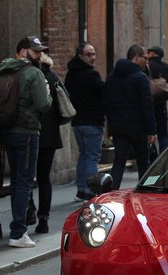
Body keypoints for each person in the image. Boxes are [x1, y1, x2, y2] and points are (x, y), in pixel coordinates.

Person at [0, 36, 52, 248]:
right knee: (24, 181)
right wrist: (47, 94)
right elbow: (43, 105)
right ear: (22, 51)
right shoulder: (34, 73)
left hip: (7, 130)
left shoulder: (3, 70)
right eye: (35, 51)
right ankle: (18, 232)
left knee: (16, 182)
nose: (39, 55)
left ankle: (16, 229)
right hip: (27, 131)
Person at [105, 44, 157, 189]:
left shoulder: (112, 76)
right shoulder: (141, 78)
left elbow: (107, 102)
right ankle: (144, 192)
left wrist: (111, 126)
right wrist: (151, 130)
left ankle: (112, 191)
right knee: (143, 162)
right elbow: (147, 105)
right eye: (144, 58)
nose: (146, 62)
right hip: (138, 128)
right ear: (136, 57)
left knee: (119, 161)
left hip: (119, 127)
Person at [27, 51, 64, 234]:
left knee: (25, 176)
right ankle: (44, 218)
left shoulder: (26, 75)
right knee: (44, 178)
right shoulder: (51, 75)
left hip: (29, 130)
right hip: (49, 134)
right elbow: (60, 105)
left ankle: (30, 208)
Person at [65, 42, 106, 202]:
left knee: (83, 156)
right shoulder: (91, 75)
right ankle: (90, 191)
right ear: (80, 56)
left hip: (77, 121)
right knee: (92, 158)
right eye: (89, 54)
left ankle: (81, 190)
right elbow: (103, 92)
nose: (93, 57)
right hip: (92, 121)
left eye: (94, 53)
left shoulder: (71, 74)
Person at [146, 46, 168, 153]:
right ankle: (163, 158)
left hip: (149, 104)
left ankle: (152, 157)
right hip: (161, 104)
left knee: (149, 134)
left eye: (149, 52)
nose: (147, 54)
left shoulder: (147, 66)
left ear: (154, 53)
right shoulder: (166, 67)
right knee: (163, 135)